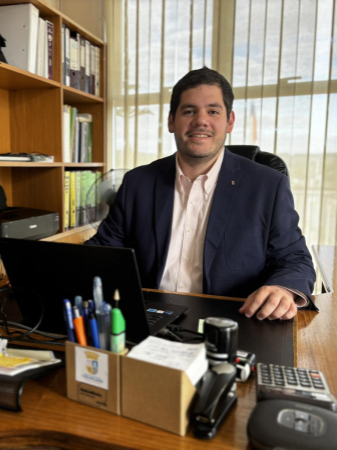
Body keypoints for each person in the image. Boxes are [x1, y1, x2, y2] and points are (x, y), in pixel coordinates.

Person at [87, 67, 316, 321]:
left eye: (213, 111)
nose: (200, 121)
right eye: (189, 111)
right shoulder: (137, 183)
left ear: (229, 122)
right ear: (171, 121)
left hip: (232, 321)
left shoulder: (268, 185)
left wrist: (282, 289)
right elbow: (104, 252)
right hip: (148, 317)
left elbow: (294, 258)